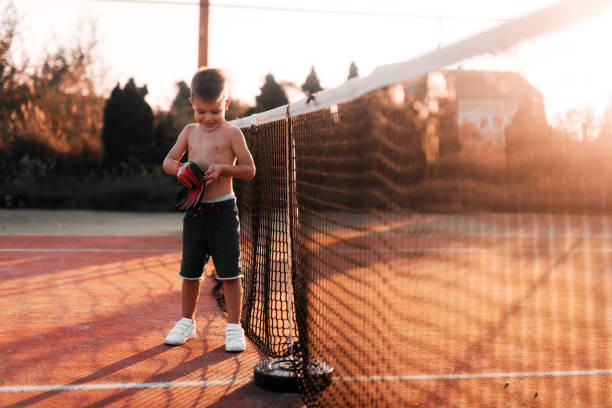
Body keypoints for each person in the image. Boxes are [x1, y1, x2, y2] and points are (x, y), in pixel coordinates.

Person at [162, 67, 255, 352]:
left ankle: (234, 327)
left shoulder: (232, 133)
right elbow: (168, 161)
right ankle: (186, 322)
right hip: (195, 212)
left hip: (224, 211)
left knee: (230, 272)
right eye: (202, 111)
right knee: (189, 272)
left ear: (226, 103)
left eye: (215, 111)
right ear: (192, 102)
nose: (208, 118)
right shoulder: (190, 132)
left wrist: (225, 169)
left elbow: (249, 170)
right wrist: (182, 171)